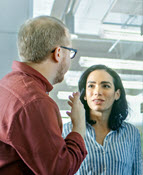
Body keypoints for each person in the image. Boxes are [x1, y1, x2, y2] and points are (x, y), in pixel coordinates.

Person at [0, 16, 87, 175]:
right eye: (70, 52)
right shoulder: (35, 102)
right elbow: (60, 170)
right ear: (59, 53)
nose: (69, 59)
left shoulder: (7, 83)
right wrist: (79, 126)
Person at [63, 64, 143, 175]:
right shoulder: (66, 131)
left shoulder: (131, 133)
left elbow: (136, 172)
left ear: (117, 94)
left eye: (105, 86)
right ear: (84, 94)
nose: (97, 92)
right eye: (91, 86)